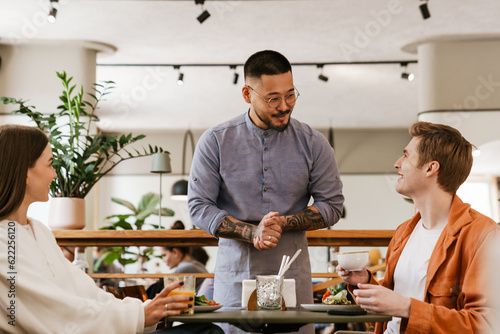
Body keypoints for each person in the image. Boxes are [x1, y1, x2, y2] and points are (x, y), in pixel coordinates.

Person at [0, 124, 222, 334]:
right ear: (25, 173)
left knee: (207, 330)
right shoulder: (3, 241)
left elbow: (84, 290)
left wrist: (142, 311)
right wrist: (140, 314)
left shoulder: (38, 230)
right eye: (49, 164)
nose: (55, 174)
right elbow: (51, 310)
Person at [188, 50, 344, 333]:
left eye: (291, 95)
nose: (285, 106)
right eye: (273, 99)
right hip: (234, 285)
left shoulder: (314, 143)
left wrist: (283, 223)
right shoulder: (215, 141)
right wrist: (251, 232)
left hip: (293, 284)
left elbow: (332, 205)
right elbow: (199, 206)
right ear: (248, 94)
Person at [337, 121, 500, 334]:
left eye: (406, 155)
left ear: (430, 168)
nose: (397, 163)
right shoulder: (404, 233)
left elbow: (485, 325)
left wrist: (407, 308)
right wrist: (365, 282)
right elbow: (393, 305)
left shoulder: (482, 235)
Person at [146, 221, 209, 299]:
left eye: (164, 255)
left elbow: (161, 295)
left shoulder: (186, 268)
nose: (163, 260)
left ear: (175, 252)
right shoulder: (194, 265)